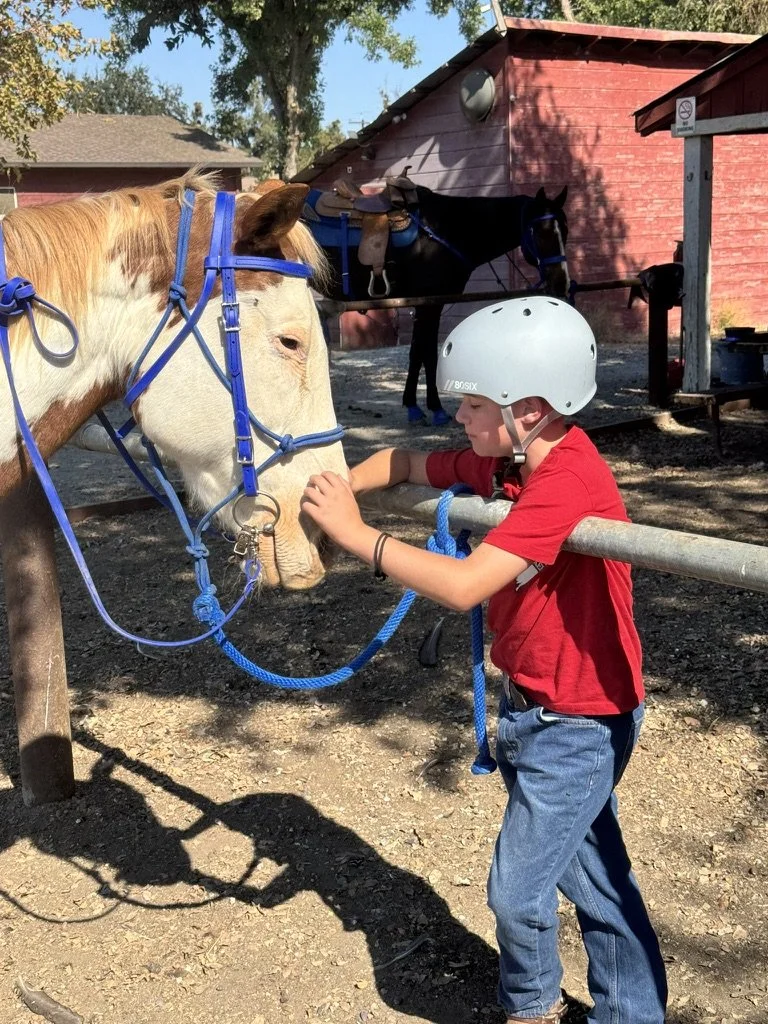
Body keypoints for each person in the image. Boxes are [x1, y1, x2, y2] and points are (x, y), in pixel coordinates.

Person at [301, 296, 667, 1024]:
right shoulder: (515, 464)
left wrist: (355, 536)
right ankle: (633, 1012)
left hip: (582, 717)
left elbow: (466, 587)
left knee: (517, 889)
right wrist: (341, 487)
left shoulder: (565, 481)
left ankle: (528, 1008)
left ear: (527, 408)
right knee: (593, 876)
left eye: (472, 404)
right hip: (537, 705)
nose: (460, 418)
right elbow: (407, 459)